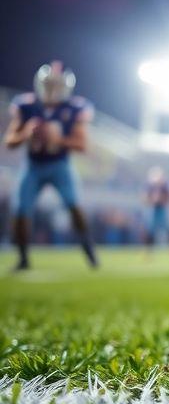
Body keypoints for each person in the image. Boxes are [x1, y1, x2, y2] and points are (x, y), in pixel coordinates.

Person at [4, 61, 98, 271]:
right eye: (49, 84)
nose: (53, 89)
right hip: (33, 165)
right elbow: (9, 141)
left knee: (75, 206)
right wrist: (26, 134)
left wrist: (58, 140)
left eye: (58, 85)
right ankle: (23, 259)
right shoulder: (26, 104)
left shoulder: (75, 107)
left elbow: (82, 145)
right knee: (20, 210)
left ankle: (89, 252)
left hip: (60, 165)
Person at [144, 166, 169, 253]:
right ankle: (148, 250)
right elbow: (145, 199)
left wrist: (162, 198)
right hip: (153, 209)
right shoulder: (150, 186)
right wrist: (152, 200)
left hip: (162, 208)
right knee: (150, 229)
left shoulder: (165, 186)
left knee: (167, 228)